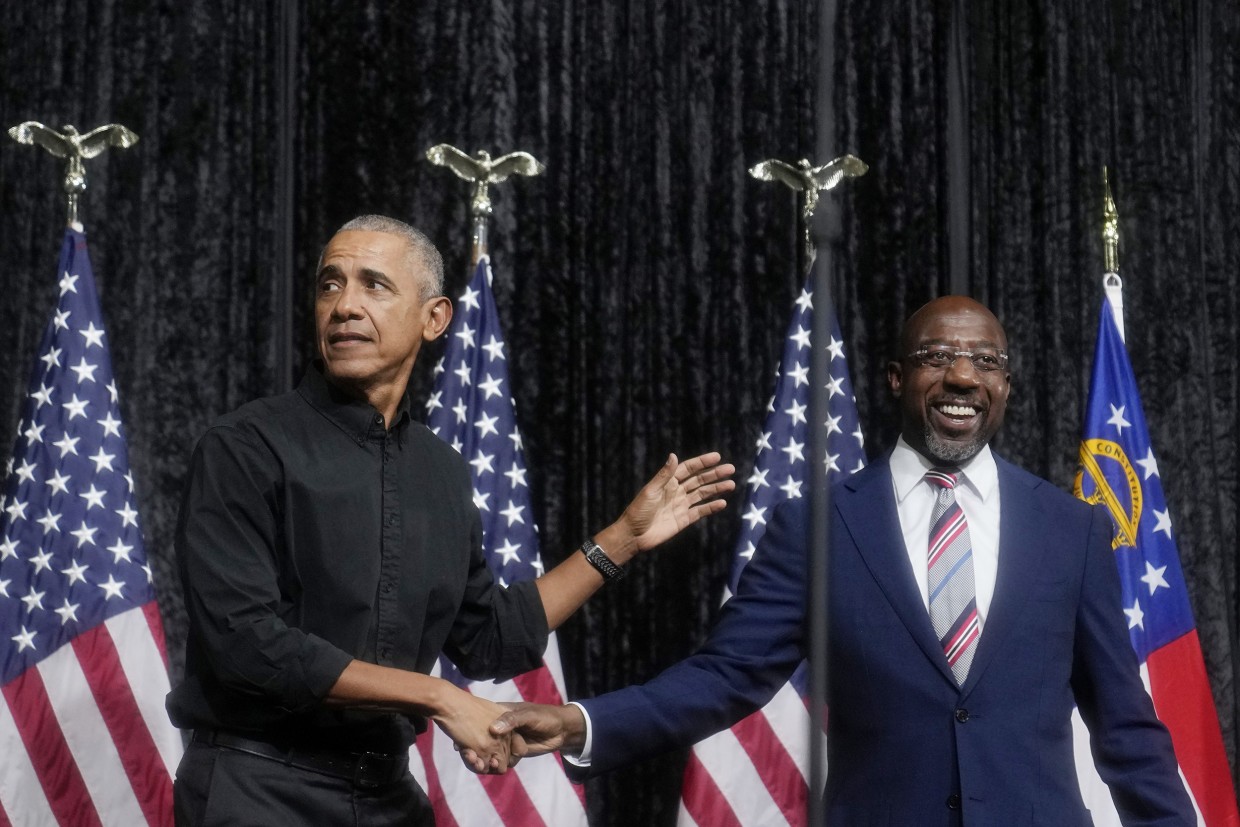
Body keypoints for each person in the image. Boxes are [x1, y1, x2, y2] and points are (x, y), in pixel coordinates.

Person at [489, 296, 1195, 825]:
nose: (961, 376)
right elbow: (725, 677)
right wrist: (586, 721)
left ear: (1006, 385)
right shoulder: (817, 527)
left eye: (986, 361)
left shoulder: (1070, 528)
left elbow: (1125, 722)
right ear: (894, 377)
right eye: (935, 357)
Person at [165, 214, 735, 826]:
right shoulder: (244, 447)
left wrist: (622, 540)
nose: (345, 306)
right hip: (258, 791)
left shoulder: (442, 471)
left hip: (388, 797)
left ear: (434, 318)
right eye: (330, 285)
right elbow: (247, 646)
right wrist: (437, 697)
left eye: (374, 285)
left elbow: (491, 636)